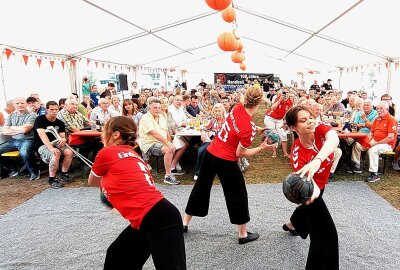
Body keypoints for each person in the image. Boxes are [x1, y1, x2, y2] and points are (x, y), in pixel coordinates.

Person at [88, 116, 186, 269]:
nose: (102, 135)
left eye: (105, 131)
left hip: (158, 218)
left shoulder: (107, 152)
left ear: (115, 134)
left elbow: (92, 181)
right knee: (118, 257)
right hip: (154, 217)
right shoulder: (134, 155)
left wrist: (108, 192)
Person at [183, 87, 275, 244]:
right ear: (259, 102)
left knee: (201, 187)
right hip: (226, 160)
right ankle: (243, 234)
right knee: (237, 194)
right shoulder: (248, 129)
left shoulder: (237, 107)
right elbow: (240, 153)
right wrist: (262, 147)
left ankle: (184, 223)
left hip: (210, 154)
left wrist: (259, 129)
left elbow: (240, 125)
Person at [283, 105, 339, 270]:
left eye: (310, 117)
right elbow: (306, 188)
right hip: (311, 193)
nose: (310, 122)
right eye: (303, 120)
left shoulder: (321, 129)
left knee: (312, 221)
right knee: (326, 236)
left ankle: (292, 224)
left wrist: (317, 160)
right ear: (293, 128)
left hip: (321, 185)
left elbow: (334, 139)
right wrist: (309, 197)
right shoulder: (297, 155)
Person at [138, 99, 186, 185]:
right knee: (168, 149)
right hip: (149, 144)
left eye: (159, 108)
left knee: (182, 145)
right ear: (149, 108)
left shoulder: (162, 117)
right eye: (155, 107)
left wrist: (170, 142)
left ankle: (172, 167)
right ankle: (168, 176)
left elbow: (166, 132)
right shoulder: (146, 117)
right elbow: (153, 133)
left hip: (161, 143)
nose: (157, 109)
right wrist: (168, 144)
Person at [350, 101, 398, 182]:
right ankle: (357, 165)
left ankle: (374, 174)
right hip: (375, 141)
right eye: (377, 108)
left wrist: (376, 143)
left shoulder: (391, 119)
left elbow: (390, 137)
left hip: (387, 144)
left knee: (373, 150)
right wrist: (368, 141)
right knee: (358, 145)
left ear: (387, 109)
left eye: (381, 108)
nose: (379, 110)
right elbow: (371, 132)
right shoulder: (377, 119)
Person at [33, 101, 73, 189]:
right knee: (56, 153)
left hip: (56, 143)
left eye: (56, 109)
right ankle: (52, 179)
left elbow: (62, 136)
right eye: (51, 109)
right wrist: (51, 148)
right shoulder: (40, 119)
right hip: (42, 145)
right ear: (47, 110)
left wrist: (63, 140)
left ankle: (64, 174)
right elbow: (42, 135)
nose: (54, 111)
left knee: (69, 152)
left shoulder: (60, 122)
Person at [0, 97, 39, 180]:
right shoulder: (11, 116)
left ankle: (34, 172)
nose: (20, 105)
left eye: (22, 103)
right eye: (17, 103)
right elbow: (5, 131)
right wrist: (18, 130)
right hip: (14, 140)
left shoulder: (32, 115)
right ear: (14, 105)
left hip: (28, 140)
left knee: (24, 153)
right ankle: (14, 167)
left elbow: (25, 129)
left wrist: (12, 127)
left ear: (26, 104)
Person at [193, 103, 225, 180]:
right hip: (211, 142)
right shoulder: (213, 120)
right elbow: (205, 127)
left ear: (223, 112)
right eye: (216, 111)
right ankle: (198, 172)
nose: (217, 113)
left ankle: (214, 170)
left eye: (219, 111)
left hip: (223, 143)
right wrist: (203, 133)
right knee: (201, 151)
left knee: (211, 152)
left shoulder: (226, 121)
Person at [264, 89, 293, 158]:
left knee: (283, 135)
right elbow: (272, 108)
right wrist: (279, 100)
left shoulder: (290, 102)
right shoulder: (278, 98)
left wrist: (285, 123)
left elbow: (288, 114)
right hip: (270, 118)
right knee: (274, 135)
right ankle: (274, 152)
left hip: (279, 120)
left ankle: (285, 153)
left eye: (287, 92)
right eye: (284, 92)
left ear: (289, 94)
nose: (285, 94)